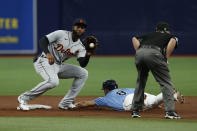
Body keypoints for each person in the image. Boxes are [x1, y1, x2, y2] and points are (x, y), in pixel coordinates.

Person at [17, 19, 92, 110]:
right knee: (53, 82)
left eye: (82, 28)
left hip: (58, 66)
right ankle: (23, 98)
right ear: (73, 27)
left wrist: (88, 54)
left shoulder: (80, 47)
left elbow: (82, 63)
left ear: (84, 30)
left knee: (83, 73)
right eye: (78, 26)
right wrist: (48, 53)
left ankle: (66, 103)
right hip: (44, 61)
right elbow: (43, 41)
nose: (80, 29)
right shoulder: (61, 34)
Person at [131, 22, 181, 119]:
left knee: (141, 81)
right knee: (166, 83)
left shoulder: (150, 35)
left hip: (140, 53)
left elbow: (134, 38)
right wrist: (166, 58)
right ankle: (170, 112)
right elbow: (173, 40)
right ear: (166, 30)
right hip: (155, 53)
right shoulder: (169, 35)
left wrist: (140, 51)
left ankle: (135, 111)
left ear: (157, 30)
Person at [75, 80, 184, 111]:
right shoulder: (125, 88)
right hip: (138, 92)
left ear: (106, 89)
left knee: (133, 105)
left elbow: (86, 104)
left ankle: (141, 102)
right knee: (155, 101)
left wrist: (74, 105)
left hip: (128, 101)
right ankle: (171, 94)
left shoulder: (105, 98)